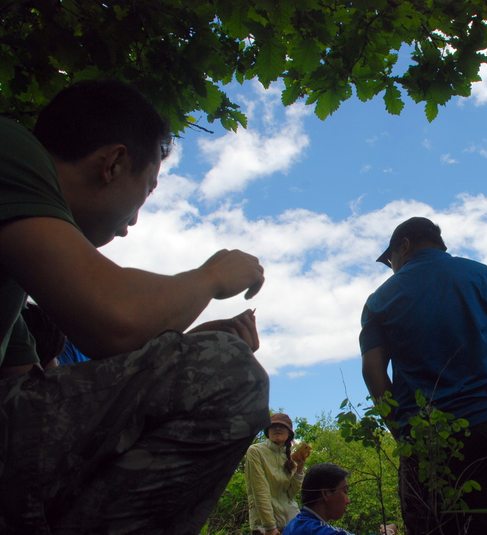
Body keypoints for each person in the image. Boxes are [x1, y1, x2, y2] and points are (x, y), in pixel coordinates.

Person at [0, 79, 269, 533]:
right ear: (113, 163)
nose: (131, 224)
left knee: (208, 366)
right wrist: (212, 276)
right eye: (145, 191)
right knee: (228, 374)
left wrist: (175, 350)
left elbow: (45, 396)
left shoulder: (13, 284)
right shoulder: (10, 148)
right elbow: (115, 319)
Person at [359, 217, 487, 535]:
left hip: (424, 437)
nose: (391, 267)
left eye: (390, 259)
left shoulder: (379, 300)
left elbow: (372, 370)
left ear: (404, 246)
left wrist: (401, 430)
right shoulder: (485, 276)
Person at [283, 463, 398, 535]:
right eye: (345, 492)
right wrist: (389, 532)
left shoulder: (296, 524)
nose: (348, 501)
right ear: (326, 493)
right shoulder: (314, 530)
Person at [245, 413, 310, 534]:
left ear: (289, 434)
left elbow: (291, 493)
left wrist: (300, 467)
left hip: (291, 523)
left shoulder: (290, 458)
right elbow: (260, 491)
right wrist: (270, 526)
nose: (278, 428)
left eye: (282, 426)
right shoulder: (256, 451)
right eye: (273, 426)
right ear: (267, 431)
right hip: (265, 527)